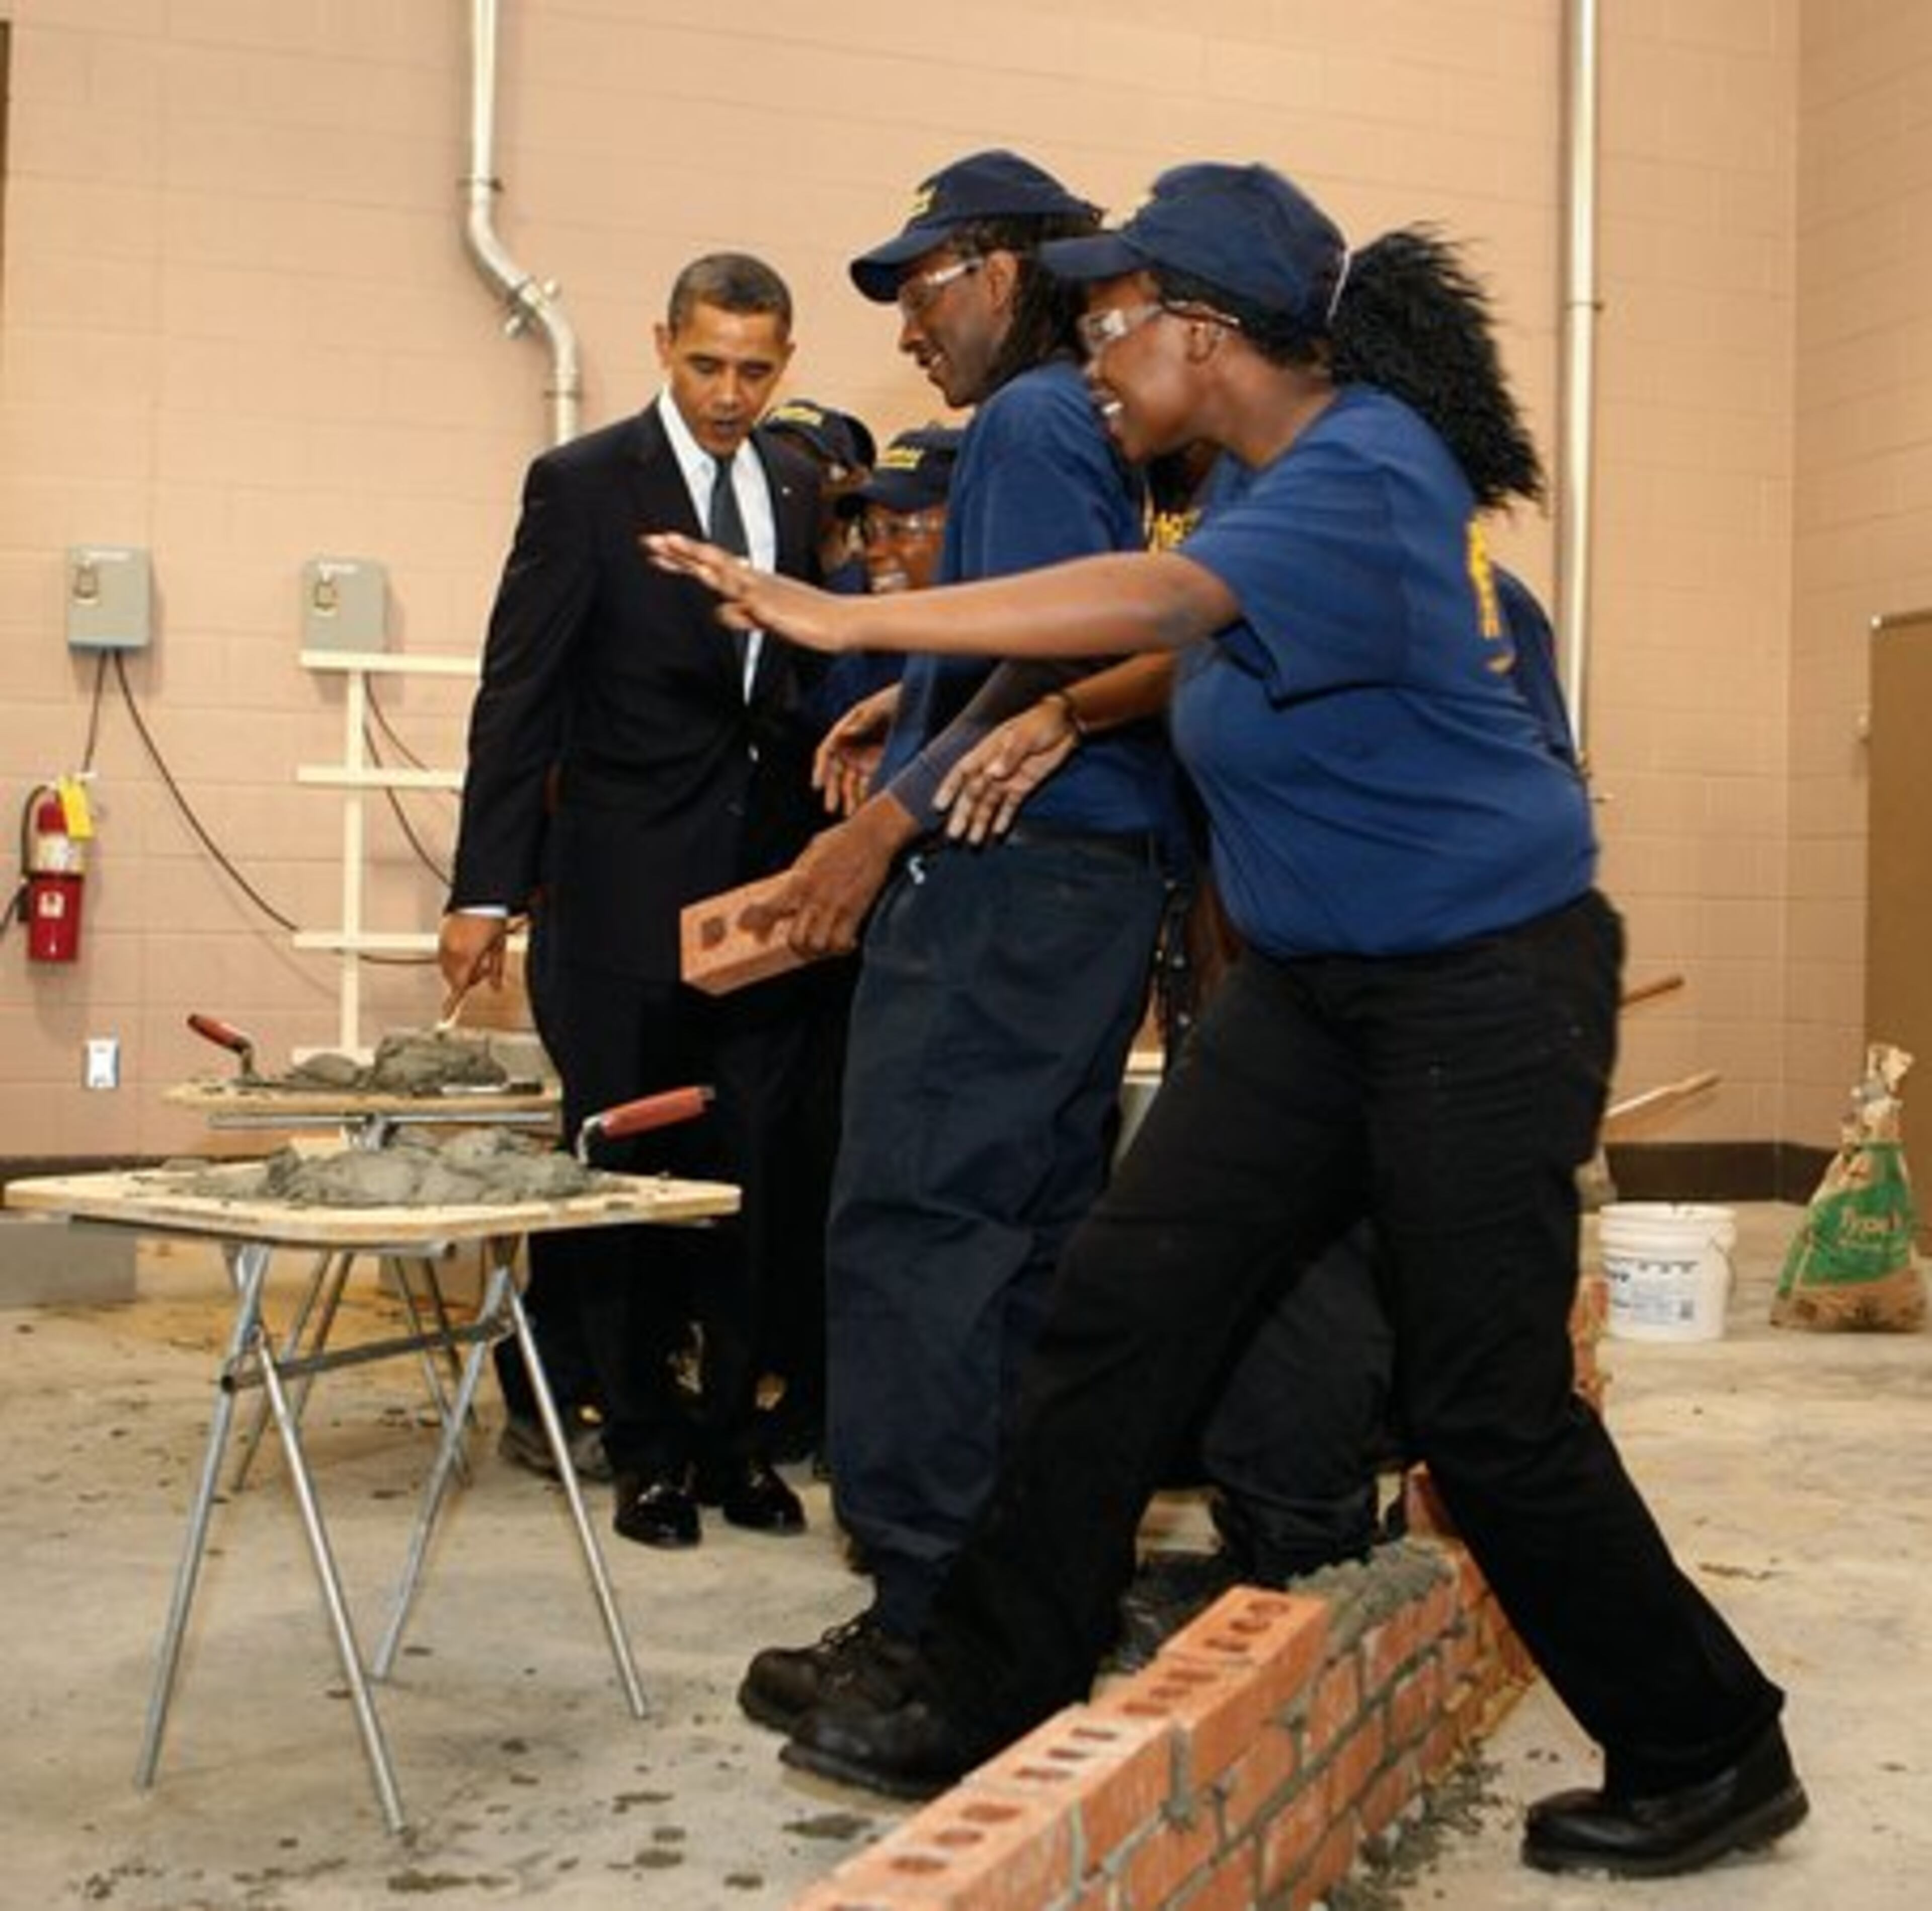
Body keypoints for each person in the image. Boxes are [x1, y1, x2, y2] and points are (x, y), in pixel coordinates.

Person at [649, 164, 1808, 1879]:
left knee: (1489, 1412)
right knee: (1120, 1310)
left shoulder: (1361, 466)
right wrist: (994, 707)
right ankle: (994, 1672)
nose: (1089, 350)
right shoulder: (1260, 490)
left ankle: (1713, 1743)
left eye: (1112, 319)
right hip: (1323, 994)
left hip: (1483, 988)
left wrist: (852, 613)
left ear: (1204, 329)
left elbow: (1170, 610)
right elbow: (1195, 645)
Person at [730, 150, 1184, 1734]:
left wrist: (880, 825)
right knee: (1024, 1237)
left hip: (1009, 878)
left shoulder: (1042, 418)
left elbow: (1092, 631)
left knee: (924, 1224)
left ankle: (929, 1618)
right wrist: (906, 699)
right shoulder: (1071, 419)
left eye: (921, 290)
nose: (912, 332)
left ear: (1001, 269)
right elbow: (1027, 638)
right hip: (1073, 871)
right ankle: (1035, 1598)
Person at [441, 251, 835, 1551]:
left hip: (760, 904)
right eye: (708, 364)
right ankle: (643, 1450)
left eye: (757, 369)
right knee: (623, 1179)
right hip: (615, 894)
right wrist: (486, 888)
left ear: (787, 361)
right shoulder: (584, 483)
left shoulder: (795, 481)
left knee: (754, 1172)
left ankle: (730, 1438)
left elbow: (790, 692)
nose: (731, 393)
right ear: (664, 344)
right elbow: (522, 692)